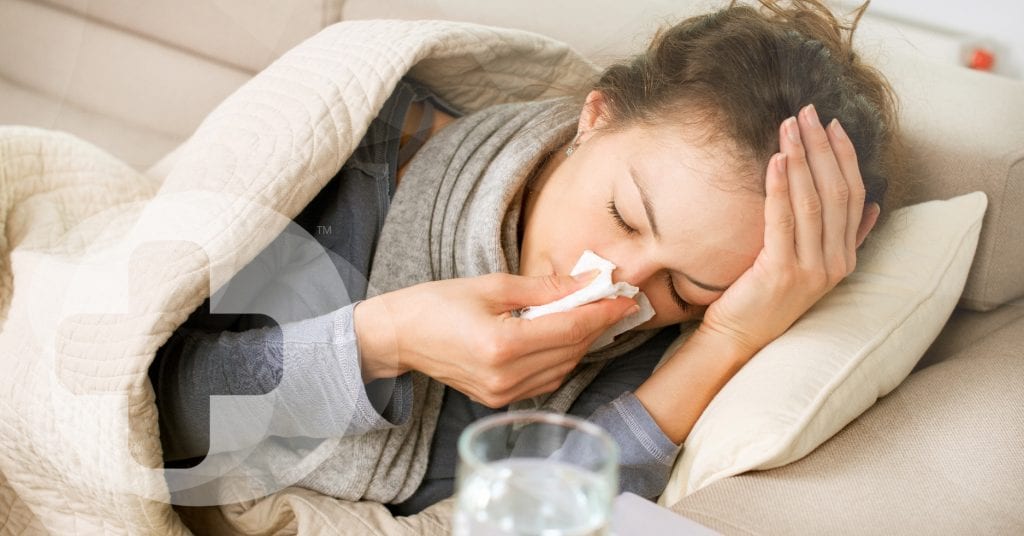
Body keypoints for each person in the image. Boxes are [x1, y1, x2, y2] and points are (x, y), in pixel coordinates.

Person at [149, 0, 901, 515]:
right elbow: (150, 409)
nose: (619, 288)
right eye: (624, 217)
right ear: (595, 119)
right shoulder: (362, 162)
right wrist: (385, 340)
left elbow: (542, 512)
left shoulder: (663, 334)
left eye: (688, 283)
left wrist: (724, 340)